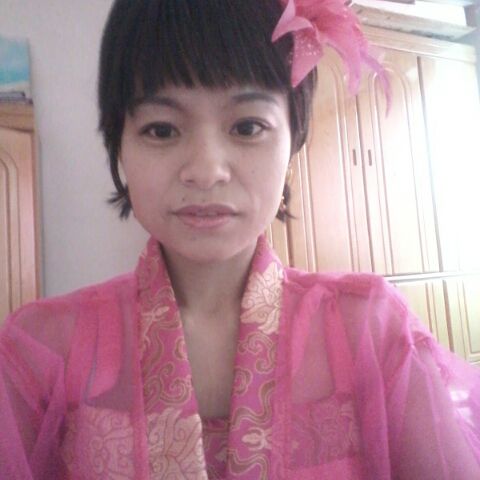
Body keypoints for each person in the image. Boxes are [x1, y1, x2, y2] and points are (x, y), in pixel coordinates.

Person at [0, 0, 479, 478]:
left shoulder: (373, 329)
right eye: (161, 129)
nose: (206, 170)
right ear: (118, 145)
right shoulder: (38, 351)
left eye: (247, 127)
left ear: (294, 137)